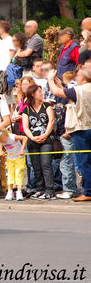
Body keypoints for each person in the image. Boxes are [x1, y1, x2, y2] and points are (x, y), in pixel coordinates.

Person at [47, 67, 91, 202]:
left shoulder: (80, 90)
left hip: (82, 129)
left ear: (83, 77)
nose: (76, 78)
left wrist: (49, 79)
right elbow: (66, 92)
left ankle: (88, 191)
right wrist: (60, 84)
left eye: (78, 76)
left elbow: (56, 92)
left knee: (84, 163)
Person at [22, 84, 56, 199]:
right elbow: (25, 126)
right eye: (39, 91)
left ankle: (49, 189)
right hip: (33, 140)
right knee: (36, 166)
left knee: (46, 164)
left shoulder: (46, 105)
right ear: (33, 94)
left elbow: (51, 121)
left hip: (46, 139)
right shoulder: (26, 109)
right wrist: (32, 137)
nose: (41, 93)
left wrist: (45, 134)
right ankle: (40, 188)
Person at [52, 70, 78, 199]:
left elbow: (71, 111)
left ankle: (70, 189)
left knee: (66, 162)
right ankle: (70, 188)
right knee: (65, 161)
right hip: (60, 131)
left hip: (68, 132)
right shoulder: (62, 94)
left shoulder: (73, 92)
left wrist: (67, 131)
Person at [0, 128, 27, 201]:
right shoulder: (1, 141)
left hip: (19, 158)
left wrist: (22, 149)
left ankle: (19, 191)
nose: (0, 141)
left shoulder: (12, 137)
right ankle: (10, 191)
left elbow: (24, 138)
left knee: (18, 174)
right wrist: (1, 150)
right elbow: (0, 143)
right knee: (10, 174)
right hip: (10, 158)